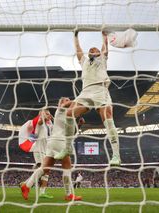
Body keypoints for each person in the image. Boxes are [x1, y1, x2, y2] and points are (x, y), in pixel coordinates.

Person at [55, 31, 121, 166]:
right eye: (91, 49)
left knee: (107, 118)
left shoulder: (102, 58)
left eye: (95, 49)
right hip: (85, 92)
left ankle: (116, 155)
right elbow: (78, 49)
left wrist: (104, 36)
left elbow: (105, 47)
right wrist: (75, 35)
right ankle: (67, 148)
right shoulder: (84, 61)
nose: (92, 49)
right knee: (69, 114)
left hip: (100, 90)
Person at [21, 97, 82, 201]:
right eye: (66, 100)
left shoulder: (66, 114)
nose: (69, 101)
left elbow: (70, 130)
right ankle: (68, 194)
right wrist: (81, 99)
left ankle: (27, 185)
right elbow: (64, 106)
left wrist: (79, 124)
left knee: (44, 169)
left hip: (52, 142)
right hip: (59, 142)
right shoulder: (61, 109)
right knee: (67, 168)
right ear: (61, 103)